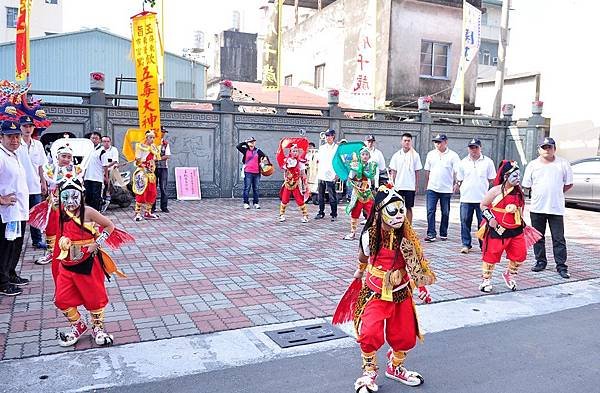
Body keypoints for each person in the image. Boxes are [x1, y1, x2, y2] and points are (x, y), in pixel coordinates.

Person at [342, 186, 435, 392]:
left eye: (401, 210)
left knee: (405, 334)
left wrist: (422, 287)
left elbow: (414, 263)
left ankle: (395, 367)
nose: (399, 215)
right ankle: (368, 372)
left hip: (401, 292)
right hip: (375, 291)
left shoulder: (406, 236)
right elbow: (363, 257)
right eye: (393, 211)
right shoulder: (370, 236)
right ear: (380, 212)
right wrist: (360, 271)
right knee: (369, 332)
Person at [52, 175, 130, 347]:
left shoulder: (88, 212)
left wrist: (96, 243)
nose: (70, 200)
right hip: (67, 264)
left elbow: (110, 226)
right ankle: (78, 325)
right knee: (61, 299)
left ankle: (98, 327)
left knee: (95, 298)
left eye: (74, 196)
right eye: (66, 196)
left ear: (81, 194)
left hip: (88, 263)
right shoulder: (61, 212)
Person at [522, 137, 573, 279]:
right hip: (537, 207)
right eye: (544, 147)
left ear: (554, 149)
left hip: (556, 208)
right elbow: (527, 184)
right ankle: (540, 261)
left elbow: (568, 184)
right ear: (539, 150)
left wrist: (556, 192)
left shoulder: (563, 163)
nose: (547, 150)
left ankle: (561, 266)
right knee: (538, 237)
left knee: (559, 238)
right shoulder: (533, 165)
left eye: (549, 147)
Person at [478, 160, 527, 293]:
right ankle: (486, 280)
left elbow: (521, 207)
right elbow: (483, 205)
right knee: (491, 254)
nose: (518, 179)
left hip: (515, 228)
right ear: (506, 176)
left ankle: (509, 275)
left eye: (518, 175)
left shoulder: (518, 191)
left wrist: (522, 221)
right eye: (514, 176)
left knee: (520, 254)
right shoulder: (495, 190)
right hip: (498, 228)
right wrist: (490, 218)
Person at [32, 145, 83, 270]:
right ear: (57, 157)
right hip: (54, 204)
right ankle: (51, 253)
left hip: (71, 205)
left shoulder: (76, 170)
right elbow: (51, 183)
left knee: (72, 227)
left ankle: (73, 251)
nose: (66, 159)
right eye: (63, 156)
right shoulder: (50, 169)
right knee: (51, 228)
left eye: (69, 157)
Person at [0, 120, 30, 296]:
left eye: (17, 136)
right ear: (1, 137)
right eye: (10, 136)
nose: (15, 140)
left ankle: (10, 273)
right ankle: (2, 282)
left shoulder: (13, 154)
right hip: (5, 213)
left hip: (17, 211)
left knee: (14, 245)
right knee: (4, 246)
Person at [456, 138, 496, 254]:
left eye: (476, 147)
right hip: (466, 198)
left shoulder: (488, 162)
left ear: (480, 148)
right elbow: (460, 179)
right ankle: (466, 244)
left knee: (483, 223)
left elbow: (492, 179)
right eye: (471, 148)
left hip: (482, 199)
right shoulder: (463, 162)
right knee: (465, 222)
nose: (473, 150)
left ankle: (483, 244)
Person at [19, 115, 49, 249]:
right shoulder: (15, 144)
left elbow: (41, 166)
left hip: (35, 186)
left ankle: (37, 240)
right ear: (20, 127)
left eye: (30, 126)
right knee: (20, 215)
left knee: (36, 215)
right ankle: (16, 240)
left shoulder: (38, 145)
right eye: (25, 126)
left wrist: (43, 182)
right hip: (19, 187)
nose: (28, 129)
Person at [423, 133, 460, 242]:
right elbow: (427, 171)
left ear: (445, 142)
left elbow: (458, 171)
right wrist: (428, 184)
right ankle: (431, 233)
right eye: (436, 142)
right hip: (432, 188)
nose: (437, 144)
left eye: (439, 142)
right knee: (430, 211)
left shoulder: (453, 155)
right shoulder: (431, 154)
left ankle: (443, 232)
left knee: (445, 212)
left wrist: (456, 183)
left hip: (446, 188)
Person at [342, 147, 377, 240]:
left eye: (366, 155)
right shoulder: (355, 166)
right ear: (360, 156)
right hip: (357, 193)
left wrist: (373, 188)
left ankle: (373, 233)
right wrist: (355, 185)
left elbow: (372, 178)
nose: (365, 156)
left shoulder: (371, 166)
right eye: (363, 154)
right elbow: (350, 179)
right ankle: (353, 233)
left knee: (372, 212)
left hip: (367, 193)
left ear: (369, 156)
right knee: (355, 213)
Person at [388, 132, 422, 224]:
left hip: (410, 186)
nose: (407, 142)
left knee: (409, 207)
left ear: (411, 142)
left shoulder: (415, 155)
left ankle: (408, 227)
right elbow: (393, 171)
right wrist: (392, 183)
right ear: (401, 142)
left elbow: (417, 172)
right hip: (398, 186)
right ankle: (397, 224)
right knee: (397, 207)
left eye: (408, 141)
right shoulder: (396, 155)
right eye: (405, 140)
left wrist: (416, 185)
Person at [132, 130, 161, 221]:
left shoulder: (154, 148)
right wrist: (140, 162)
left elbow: (156, 158)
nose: (152, 139)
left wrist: (152, 163)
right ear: (146, 137)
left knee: (152, 192)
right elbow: (138, 161)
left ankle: (148, 212)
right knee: (141, 192)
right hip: (142, 172)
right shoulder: (140, 147)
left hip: (151, 173)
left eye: (153, 137)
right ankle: (137, 213)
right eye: (150, 137)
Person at [278, 142, 309, 223]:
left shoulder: (300, 162)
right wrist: (286, 179)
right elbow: (285, 171)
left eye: (296, 151)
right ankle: (281, 215)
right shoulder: (286, 160)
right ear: (290, 152)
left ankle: (305, 215)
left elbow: (303, 173)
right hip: (288, 183)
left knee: (299, 199)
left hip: (296, 183)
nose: (295, 153)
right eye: (293, 151)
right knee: (284, 199)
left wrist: (305, 183)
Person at [236, 136, 266, 209]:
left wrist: (263, 160)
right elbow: (238, 146)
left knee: (256, 188)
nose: (251, 143)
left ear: (255, 143)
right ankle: (246, 203)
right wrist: (245, 143)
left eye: (253, 142)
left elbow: (264, 156)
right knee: (247, 188)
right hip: (248, 172)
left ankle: (256, 203)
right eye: (250, 142)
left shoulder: (258, 151)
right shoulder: (245, 150)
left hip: (257, 172)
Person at [315, 129, 338, 221]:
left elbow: (339, 162)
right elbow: (318, 161)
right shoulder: (322, 148)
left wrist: (337, 174)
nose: (328, 138)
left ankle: (334, 213)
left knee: (332, 195)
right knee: (320, 195)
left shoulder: (337, 148)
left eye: (330, 136)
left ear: (333, 136)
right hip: (321, 174)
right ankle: (321, 212)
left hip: (331, 174)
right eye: (327, 136)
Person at [83, 132, 104, 211]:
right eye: (92, 138)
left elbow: (105, 165)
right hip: (87, 176)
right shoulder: (86, 150)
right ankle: (89, 211)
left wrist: (106, 176)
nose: (94, 140)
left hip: (97, 177)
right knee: (88, 195)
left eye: (96, 138)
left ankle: (96, 212)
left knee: (96, 196)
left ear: (99, 140)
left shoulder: (102, 150)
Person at [152, 126, 171, 213]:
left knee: (163, 187)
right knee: (153, 187)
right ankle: (152, 207)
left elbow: (167, 156)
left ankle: (164, 207)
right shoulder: (152, 144)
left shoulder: (166, 144)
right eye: (161, 132)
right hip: (153, 168)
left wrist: (157, 159)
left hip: (163, 168)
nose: (163, 134)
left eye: (164, 132)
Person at [99, 135, 119, 213]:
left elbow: (115, 161)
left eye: (108, 141)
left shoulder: (114, 149)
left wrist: (106, 167)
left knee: (108, 186)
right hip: (100, 171)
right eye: (104, 141)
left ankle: (107, 200)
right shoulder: (99, 150)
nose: (106, 143)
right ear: (101, 142)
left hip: (111, 170)